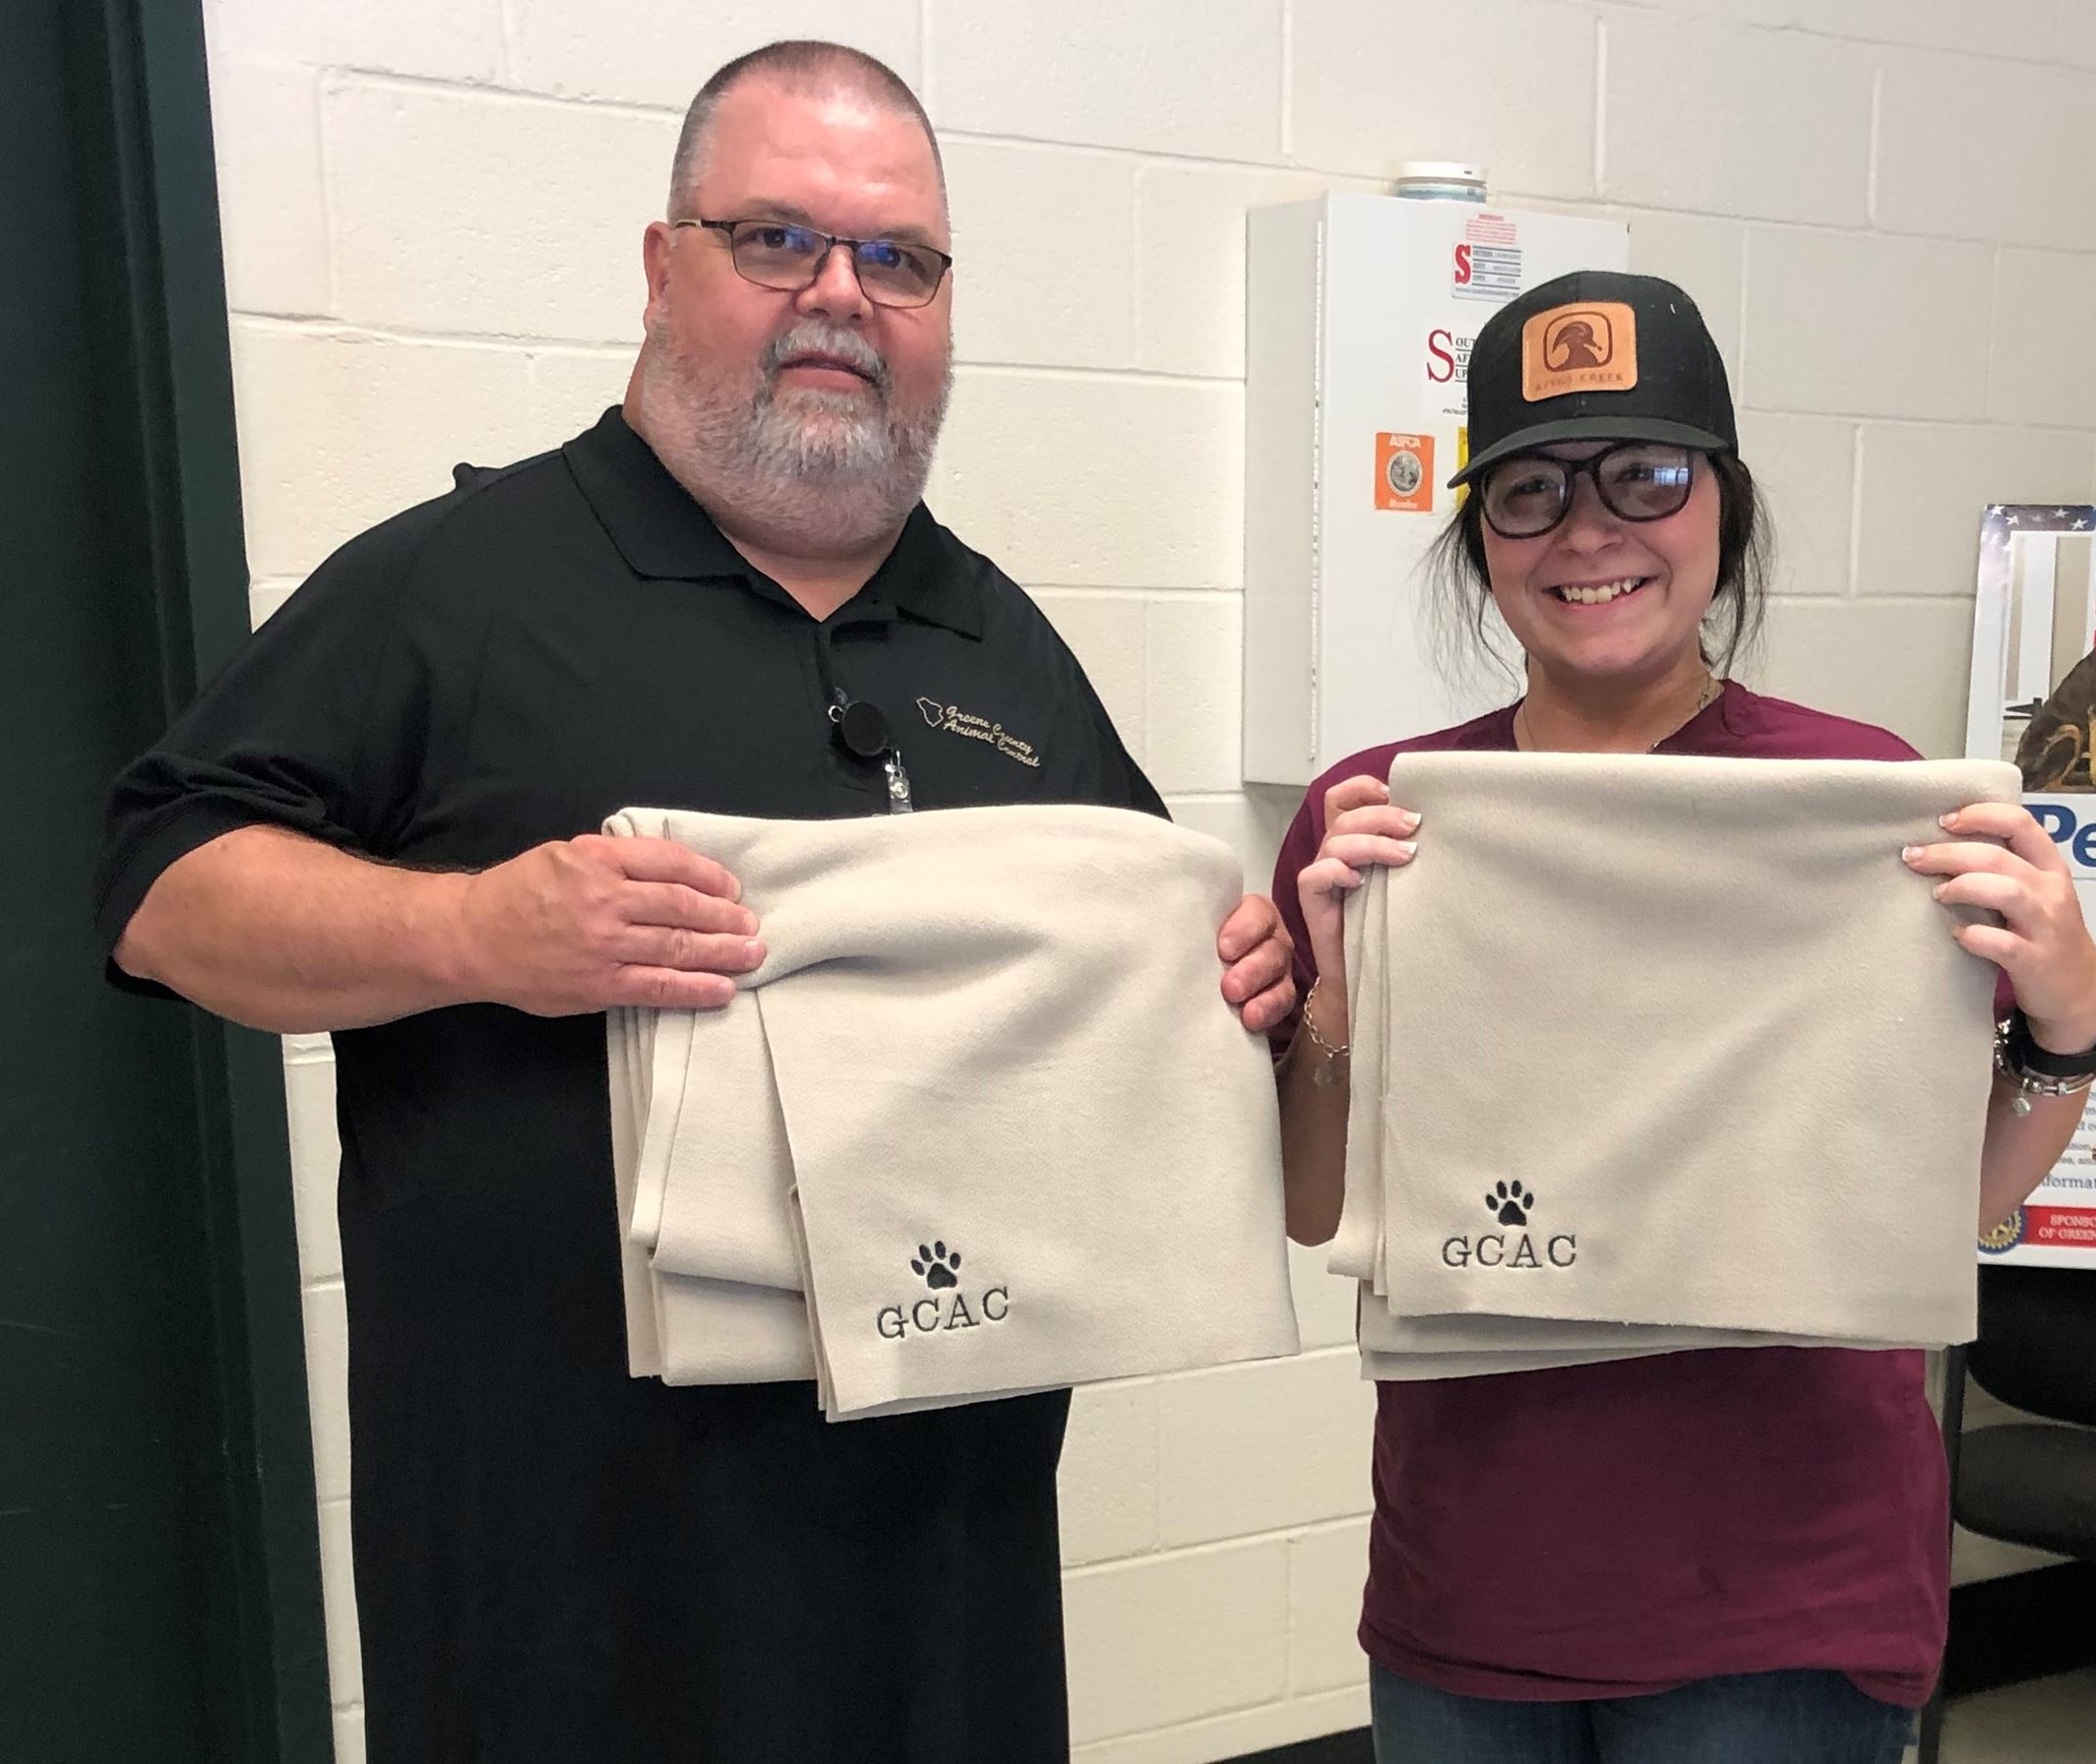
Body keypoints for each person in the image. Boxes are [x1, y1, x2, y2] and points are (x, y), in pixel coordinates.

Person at [96, 40, 1293, 1764]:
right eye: (776, 240)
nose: (840, 297)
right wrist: (470, 934)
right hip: (562, 1609)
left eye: (898, 259)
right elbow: (159, 888)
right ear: (665, 269)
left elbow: (1152, 994)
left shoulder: (1000, 640)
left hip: (939, 1600)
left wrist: (1235, 977)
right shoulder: (463, 586)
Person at [1270, 271, 2096, 1763]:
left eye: (1645, 475)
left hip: (1788, 1594)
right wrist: (1335, 996)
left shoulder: (1870, 811)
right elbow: (1315, 1199)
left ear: (1724, 506)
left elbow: (1948, 1202)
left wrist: (2070, 1022)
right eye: (1529, 490)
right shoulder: (1388, 823)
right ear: (1480, 543)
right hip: (1473, 1585)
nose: (1589, 531)